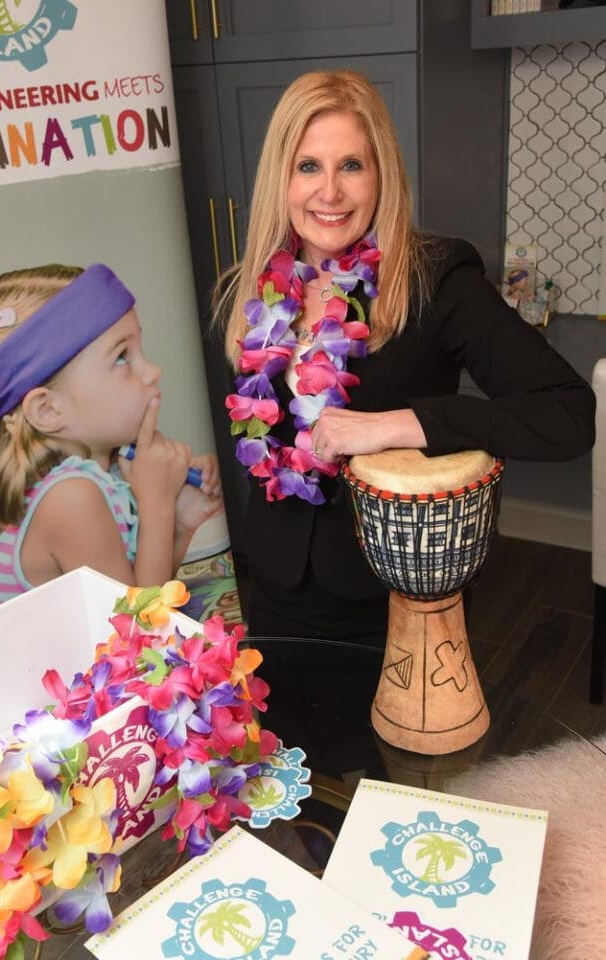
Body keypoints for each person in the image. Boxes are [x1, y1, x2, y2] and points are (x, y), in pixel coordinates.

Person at [214, 70, 595, 644]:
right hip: (272, 587)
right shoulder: (251, 290)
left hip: (395, 603)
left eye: (351, 165)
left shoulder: (436, 280)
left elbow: (569, 413)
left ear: (382, 173)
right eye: (308, 166)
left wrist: (398, 426)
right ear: (281, 178)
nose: (329, 192)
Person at [0, 262, 222, 615]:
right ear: (47, 410)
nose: (154, 371)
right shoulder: (70, 497)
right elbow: (137, 632)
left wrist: (179, 523)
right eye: (122, 357)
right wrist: (157, 502)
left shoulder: (100, 474)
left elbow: (142, 590)